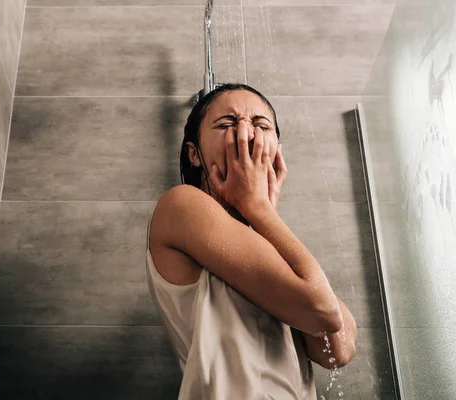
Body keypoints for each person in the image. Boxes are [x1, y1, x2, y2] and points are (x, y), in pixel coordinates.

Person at [145, 83, 358, 399]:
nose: (246, 135)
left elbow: (336, 351)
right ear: (194, 153)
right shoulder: (182, 204)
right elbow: (322, 311)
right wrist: (258, 207)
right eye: (227, 124)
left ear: (276, 151)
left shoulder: (263, 235)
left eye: (261, 125)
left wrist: (263, 215)